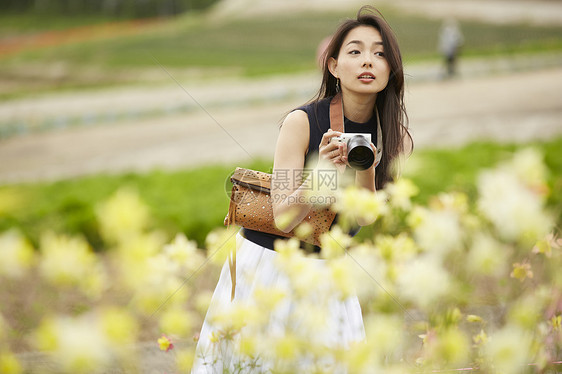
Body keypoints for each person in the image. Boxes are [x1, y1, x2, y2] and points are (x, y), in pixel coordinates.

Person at [192, 6, 412, 373]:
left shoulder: (393, 137)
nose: (367, 61)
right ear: (333, 66)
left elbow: (364, 217)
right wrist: (324, 171)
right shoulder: (302, 122)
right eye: (355, 52)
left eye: (379, 53)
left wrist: (365, 170)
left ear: (392, 69)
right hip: (271, 264)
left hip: (329, 270)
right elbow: (284, 214)